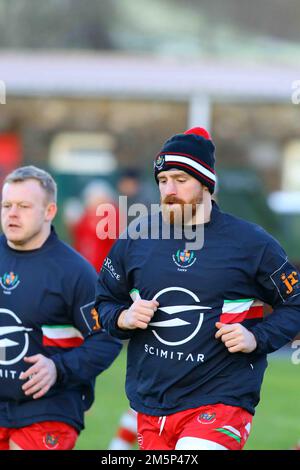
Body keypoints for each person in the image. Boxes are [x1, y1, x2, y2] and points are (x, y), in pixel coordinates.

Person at [95, 127, 300, 451]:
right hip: (151, 404)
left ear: (205, 183)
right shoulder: (136, 239)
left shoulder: (251, 243)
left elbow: (295, 302)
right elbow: (103, 302)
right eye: (163, 181)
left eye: (180, 179)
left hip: (221, 401)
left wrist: (256, 337)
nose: (169, 190)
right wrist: (123, 317)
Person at [0, 166, 122, 451]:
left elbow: (107, 337)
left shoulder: (74, 272)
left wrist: (58, 368)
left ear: (49, 211)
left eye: (24, 206)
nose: (12, 213)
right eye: (6, 205)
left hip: (49, 410)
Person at [65, 180, 119, 272]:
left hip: (103, 268)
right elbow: (78, 237)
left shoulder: (112, 215)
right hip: (86, 267)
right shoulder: (86, 216)